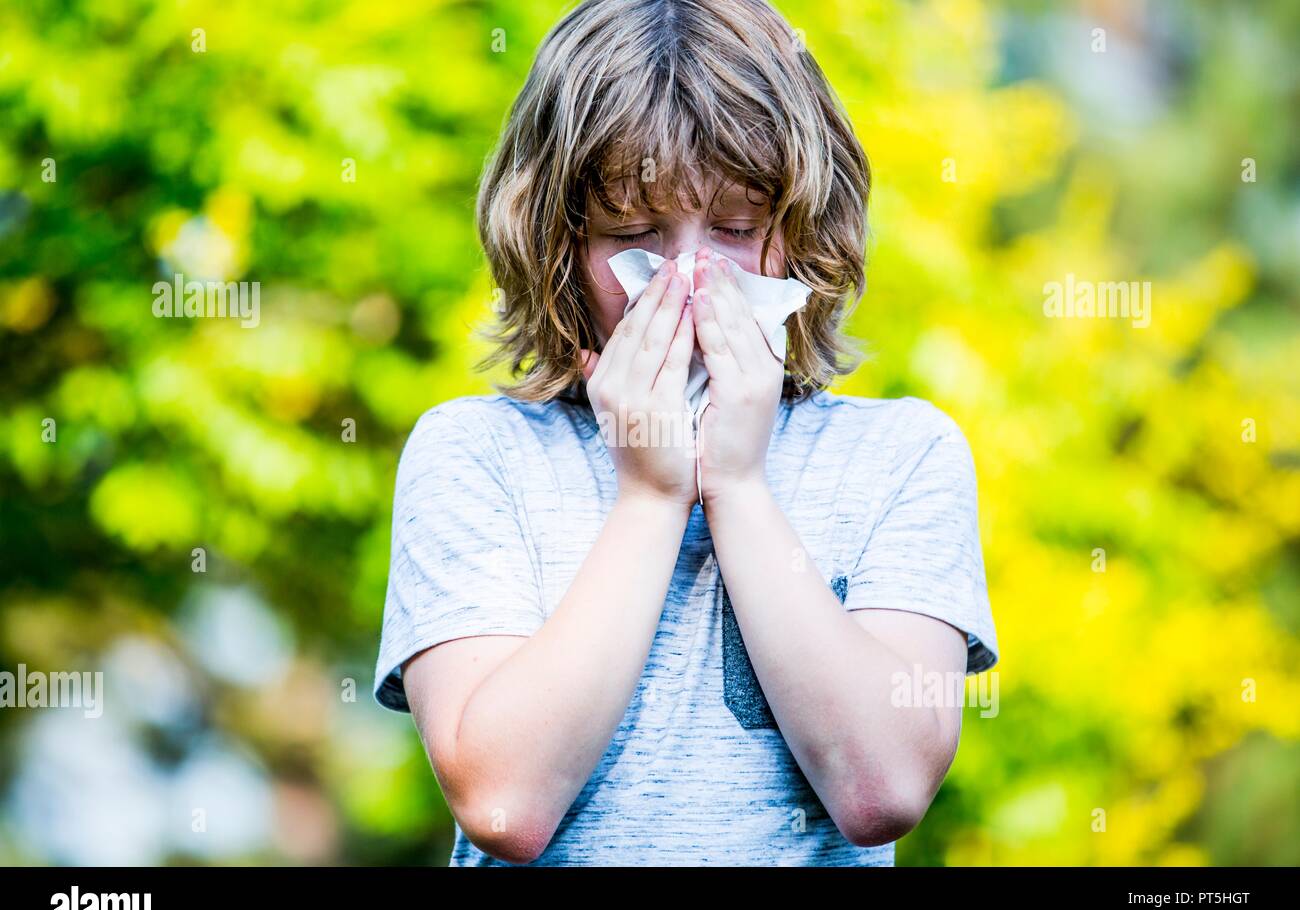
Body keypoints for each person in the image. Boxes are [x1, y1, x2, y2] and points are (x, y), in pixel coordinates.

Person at [373, 0, 998, 865]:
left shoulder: (902, 457)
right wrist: (652, 495)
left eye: (738, 231)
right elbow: (506, 803)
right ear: (559, 249)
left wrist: (737, 487)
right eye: (635, 235)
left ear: (803, 237)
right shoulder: (476, 456)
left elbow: (884, 789)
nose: (694, 279)